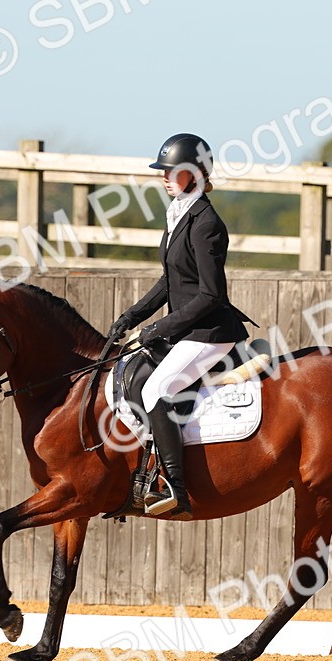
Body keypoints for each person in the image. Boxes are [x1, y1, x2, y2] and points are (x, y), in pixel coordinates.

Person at [108, 133, 251, 520]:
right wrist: (131, 317)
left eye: (171, 171)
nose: (164, 177)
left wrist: (157, 330)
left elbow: (210, 296)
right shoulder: (178, 215)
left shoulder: (207, 223)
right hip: (188, 329)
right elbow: (169, 282)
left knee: (158, 387)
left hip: (211, 333)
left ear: (193, 173)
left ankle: (175, 486)